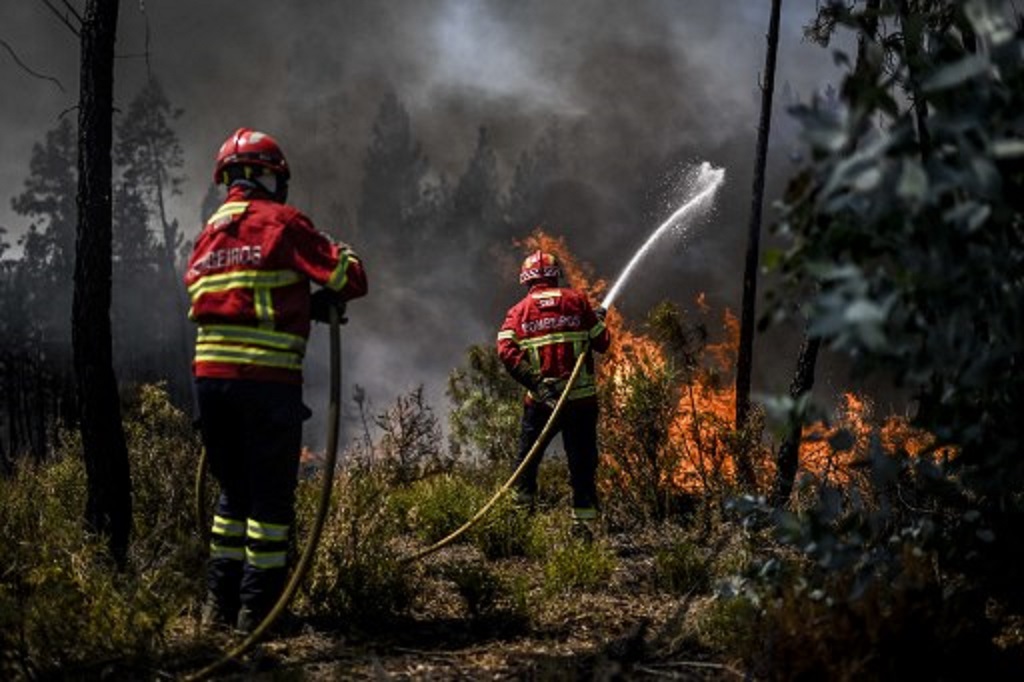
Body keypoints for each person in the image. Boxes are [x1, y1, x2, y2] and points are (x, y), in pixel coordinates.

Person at [185, 128, 367, 633]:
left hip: (210, 385)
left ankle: (217, 606)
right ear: (269, 176)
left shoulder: (208, 234)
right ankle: (259, 613)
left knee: (232, 497)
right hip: (264, 385)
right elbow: (350, 279)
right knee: (269, 502)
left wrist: (301, 306)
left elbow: (240, 300)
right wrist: (342, 255)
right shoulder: (282, 223)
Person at [496, 250, 611, 538]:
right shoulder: (577, 301)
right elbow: (602, 343)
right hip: (581, 403)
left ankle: (519, 524)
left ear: (526, 280)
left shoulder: (518, 312)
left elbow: (506, 353)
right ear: (555, 275)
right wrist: (595, 321)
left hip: (540, 404)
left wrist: (537, 384)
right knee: (582, 463)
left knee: (526, 462)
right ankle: (583, 526)